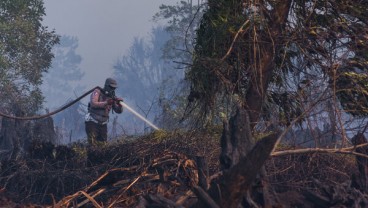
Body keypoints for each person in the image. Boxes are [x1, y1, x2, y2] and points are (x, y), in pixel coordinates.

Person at [85, 78, 123, 145]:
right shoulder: (97, 92)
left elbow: (118, 111)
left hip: (103, 124)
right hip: (92, 121)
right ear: (106, 86)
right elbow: (93, 103)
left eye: (114, 88)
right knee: (92, 144)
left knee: (103, 146)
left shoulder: (112, 97)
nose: (112, 89)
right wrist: (106, 103)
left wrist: (119, 105)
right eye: (111, 87)